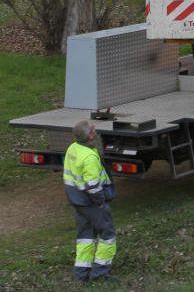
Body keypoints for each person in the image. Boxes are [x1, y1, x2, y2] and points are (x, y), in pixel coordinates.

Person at [64, 120, 116, 282]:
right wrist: (100, 202)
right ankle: (100, 274)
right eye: (93, 130)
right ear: (90, 136)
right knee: (108, 235)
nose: (95, 131)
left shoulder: (73, 148)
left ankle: (81, 274)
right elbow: (93, 186)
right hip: (91, 203)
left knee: (85, 237)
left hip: (78, 202)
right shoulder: (89, 157)